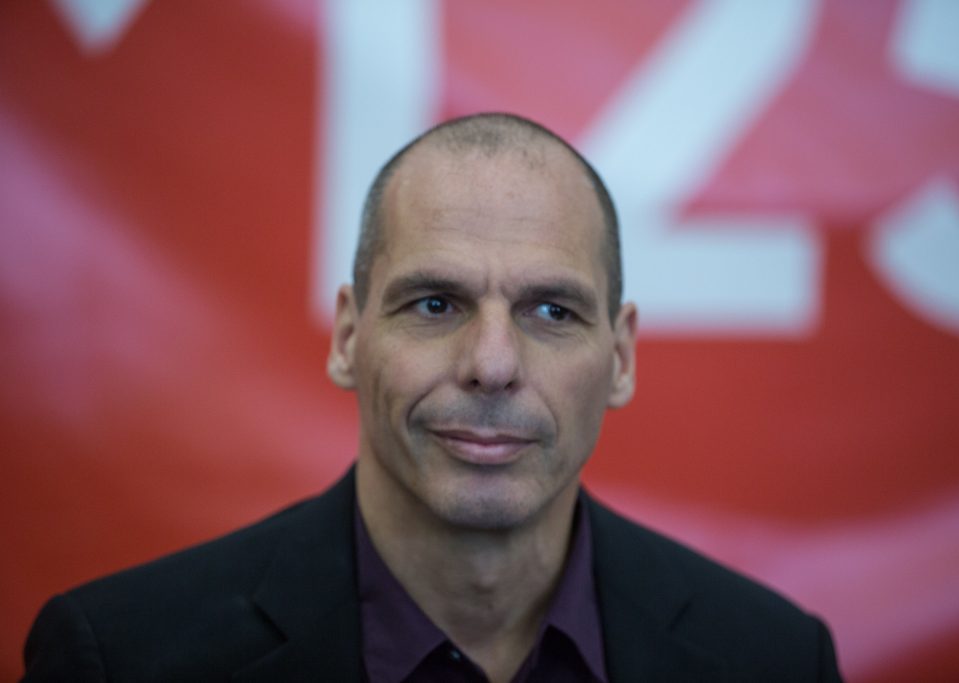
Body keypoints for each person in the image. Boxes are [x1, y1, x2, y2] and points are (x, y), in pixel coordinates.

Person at [22, 113, 843, 682]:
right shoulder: (120, 658)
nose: (492, 364)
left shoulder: (774, 659)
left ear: (621, 357)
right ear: (349, 337)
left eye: (551, 312)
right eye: (435, 303)